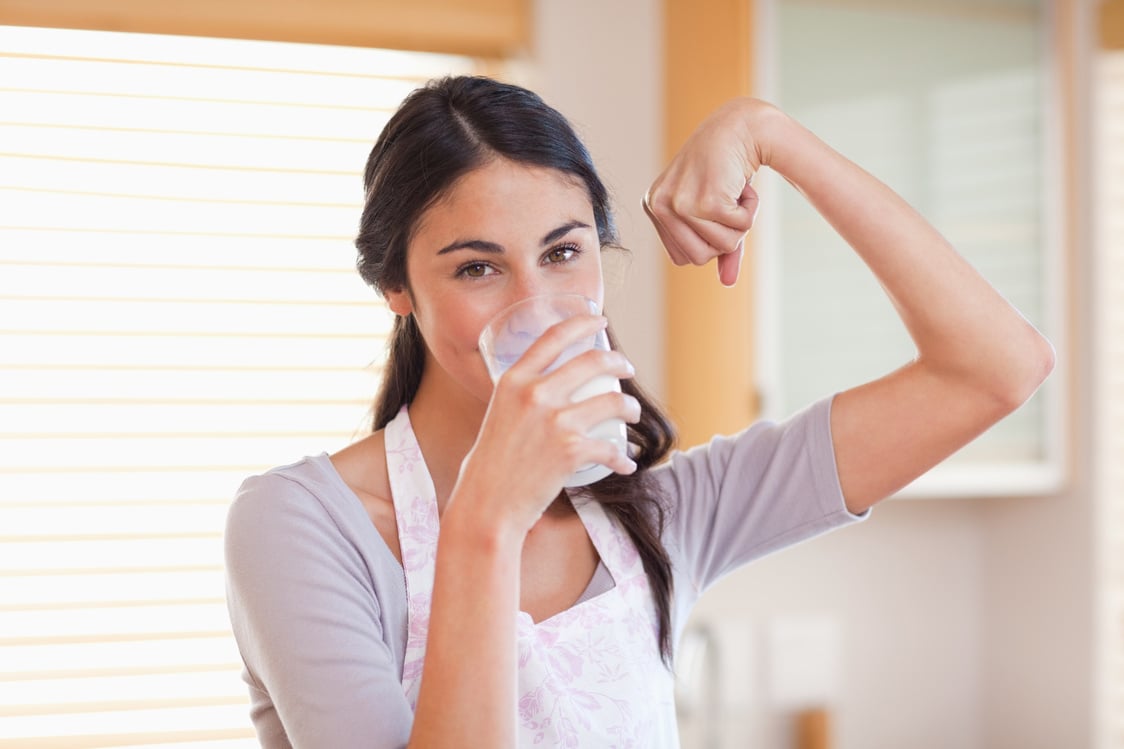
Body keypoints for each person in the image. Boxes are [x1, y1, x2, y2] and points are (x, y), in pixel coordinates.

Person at [224, 75, 1054, 748]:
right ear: (397, 288)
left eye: (562, 252)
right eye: (477, 268)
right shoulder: (301, 524)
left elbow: (996, 369)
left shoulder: (658, 515)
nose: (537, 305)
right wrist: (488, 513)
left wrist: (771, 132)